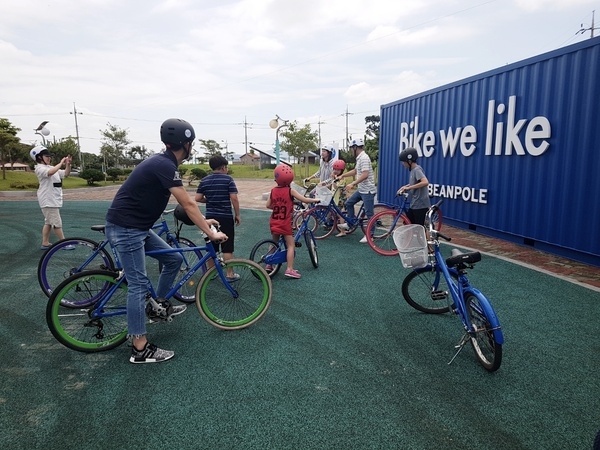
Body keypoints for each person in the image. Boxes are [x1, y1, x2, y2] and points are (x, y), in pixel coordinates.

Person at [105, 118, 227, 364]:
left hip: (136, 227)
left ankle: (157, 306)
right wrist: (210, 233)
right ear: (186, 143)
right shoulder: (163, 164)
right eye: (192, 143)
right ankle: (140, 348)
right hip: (127, 228)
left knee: (172, 259)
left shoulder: (164, 163)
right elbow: (188, 202)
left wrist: (204, 220)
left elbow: (187, 204)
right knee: (139, 285)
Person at [267, 165, 320, 279]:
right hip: (285, 223)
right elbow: (304, 200)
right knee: (291, 245)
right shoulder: (290, 191)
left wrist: (279, 207)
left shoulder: (273, 190)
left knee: (274, 242)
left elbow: (268, 205)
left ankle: (269, 264)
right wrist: (316, 200)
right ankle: (290, 269)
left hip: (274, 221)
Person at [195, 155, 241, 281]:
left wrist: (209, 200)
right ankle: (229, 274)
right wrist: (237, 214)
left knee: (211, 246)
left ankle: (211, 273)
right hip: (225, 216)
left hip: (210, 216)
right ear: (223, 167)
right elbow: (234, 198)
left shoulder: (204, 180)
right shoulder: (228, 180)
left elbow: (197, 198)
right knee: (227, 246)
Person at [335, 138, 376, 243]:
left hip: (368, 190)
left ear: (355, 147)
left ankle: (370, 235)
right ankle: (349, 224)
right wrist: (343, 175)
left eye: (351, 148)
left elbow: (365, 174)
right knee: (349, 203)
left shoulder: (364, 158)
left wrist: (352, 183)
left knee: (369, 213)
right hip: (362, 189)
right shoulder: (359, 158)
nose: (350, 151)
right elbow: (356, 171)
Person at [31, 146, 72, 249]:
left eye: (49, 156)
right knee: (56, 222)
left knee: (48, 222)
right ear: (39, 157)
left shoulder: (50, 167)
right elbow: (50, 173)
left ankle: (45, 242)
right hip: (48, 200)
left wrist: (68, 164)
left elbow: (65, 174)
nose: (49, 158)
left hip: (53, 199)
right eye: (46, 156)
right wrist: (61, 163)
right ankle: (64, 243)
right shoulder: (39, 168)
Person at [397, 147, 430, 226]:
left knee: (421, 227)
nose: (403, 164)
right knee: (408, 223)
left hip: (420, 205)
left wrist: (409, 188)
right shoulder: (412, 170)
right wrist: (404, 187)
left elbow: (425, 182)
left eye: (404, 162)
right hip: (414, 204)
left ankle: (428, 238)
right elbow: (414, 183)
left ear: (409, 161)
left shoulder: (417, 170)